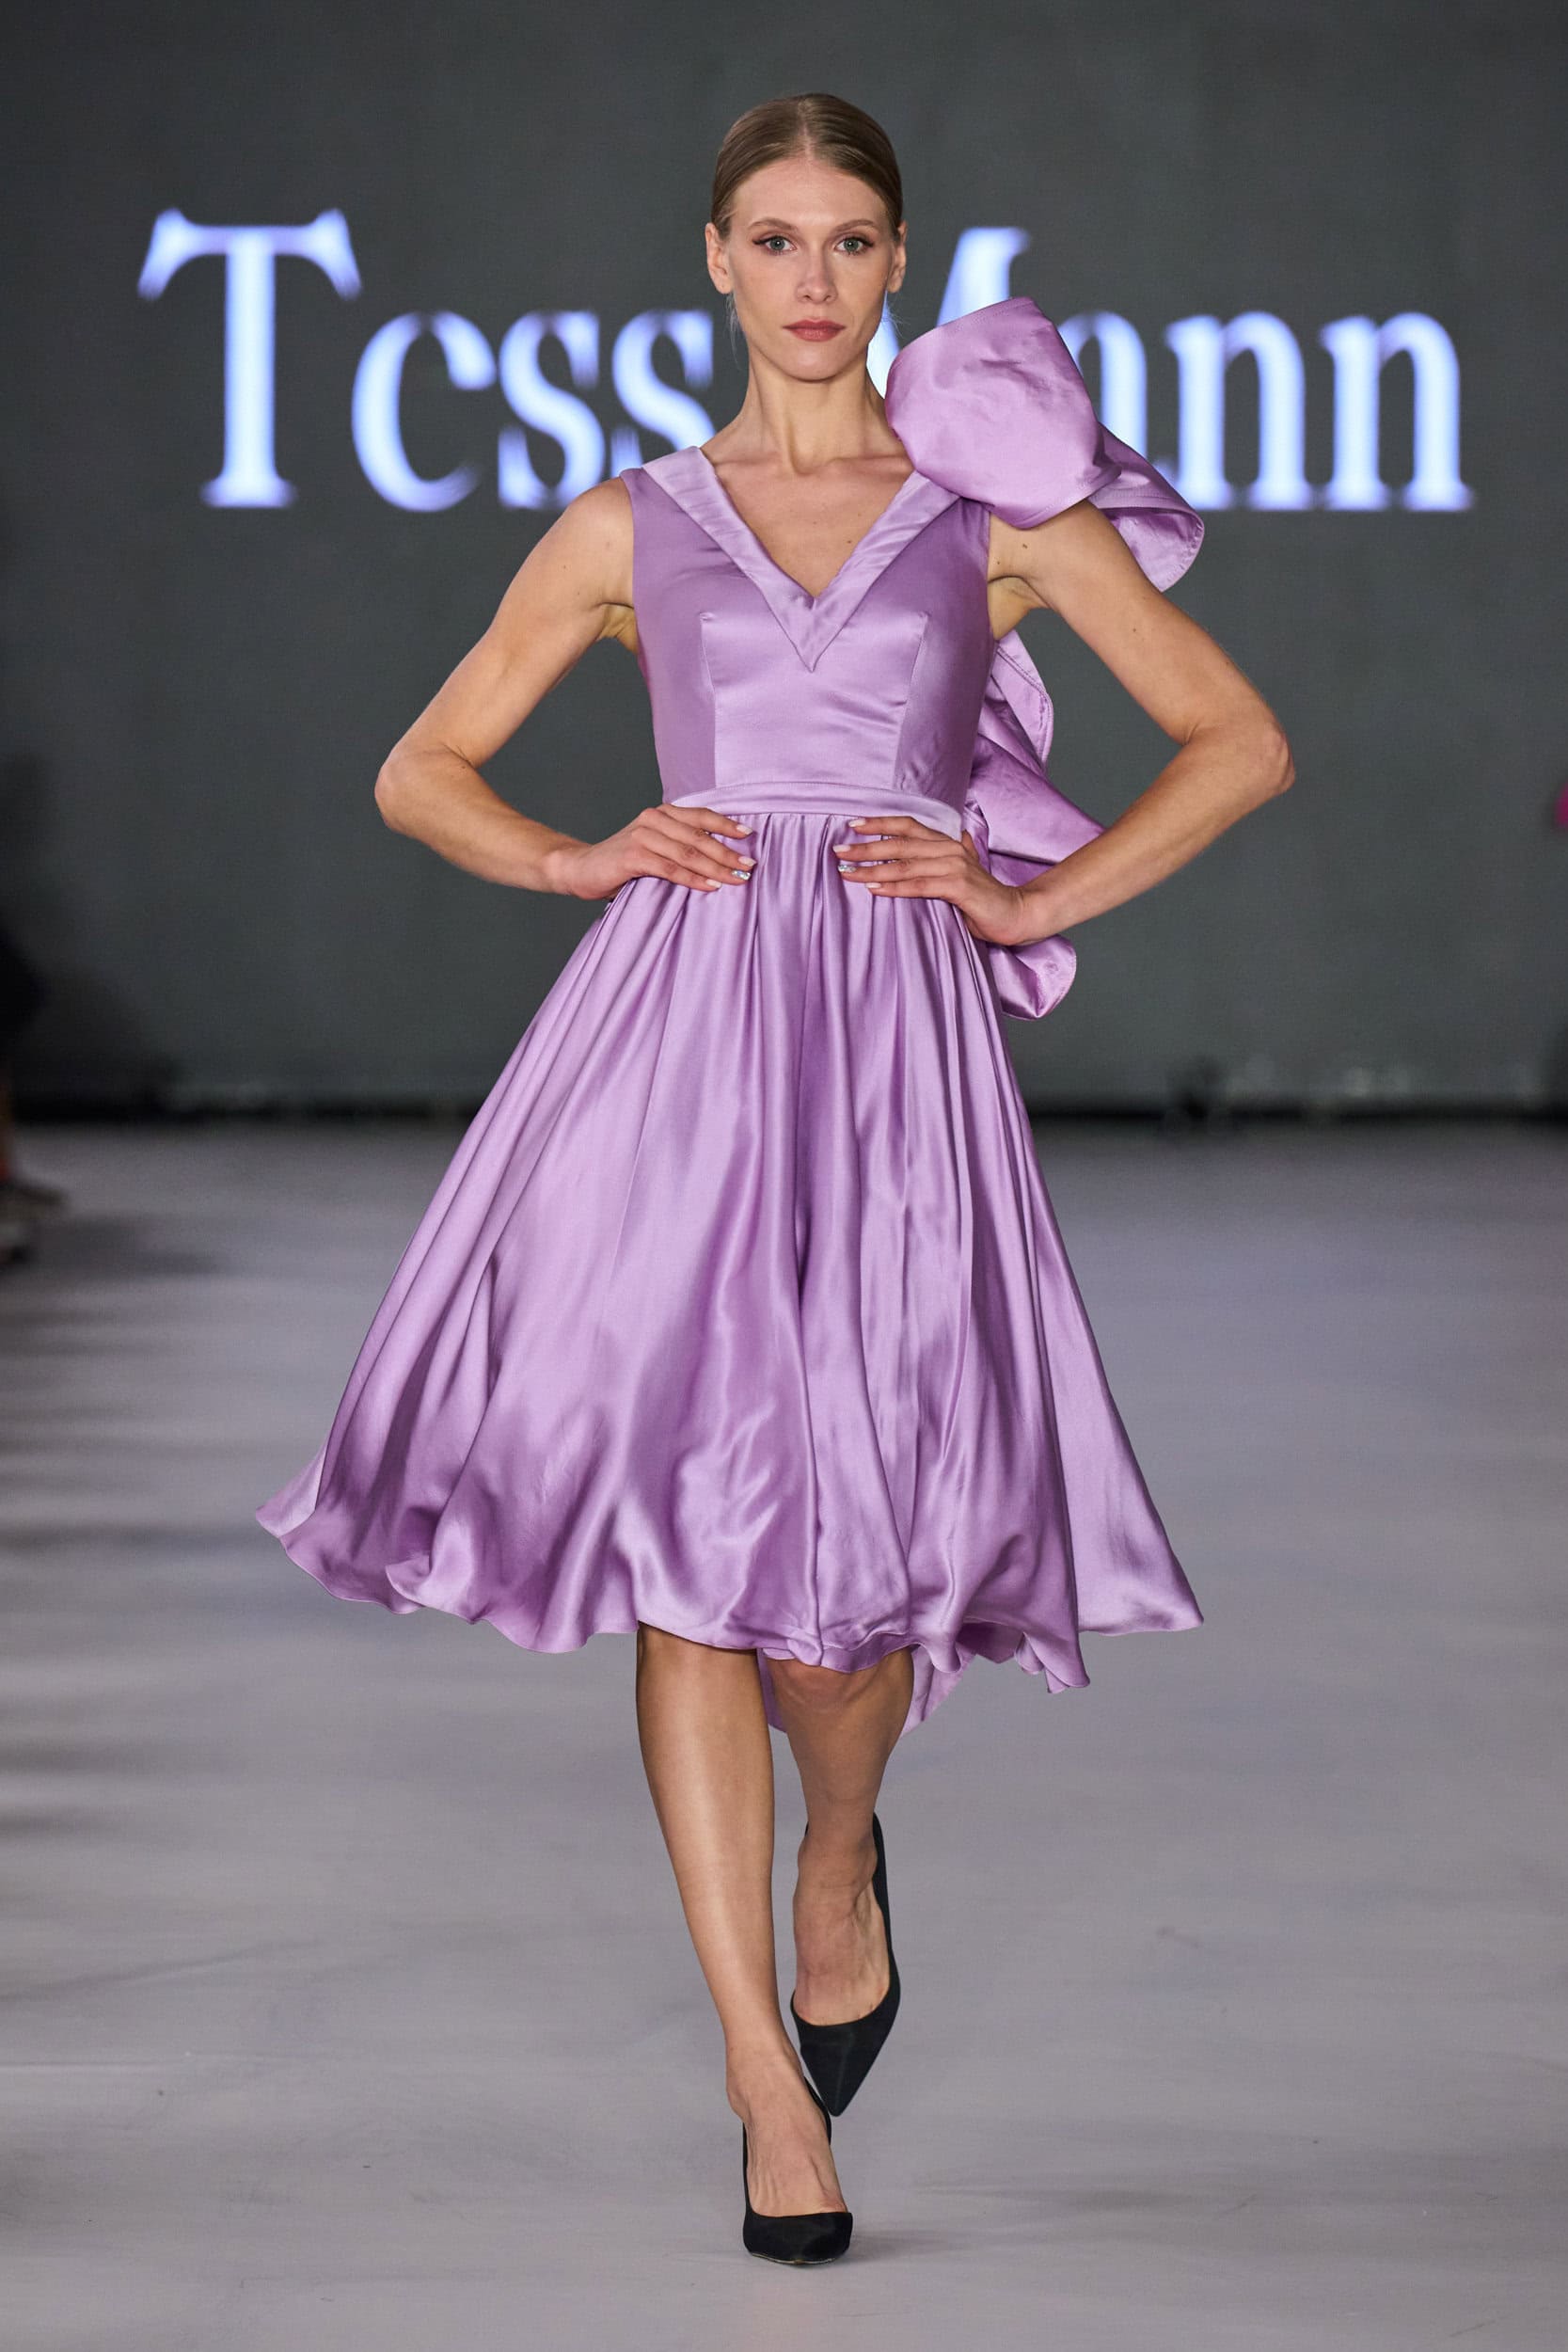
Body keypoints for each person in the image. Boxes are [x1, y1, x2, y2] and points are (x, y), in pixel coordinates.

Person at [257, 92, 1292, 2264]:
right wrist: (573, 856)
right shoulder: (628, 521)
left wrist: (1028, 896)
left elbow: (1241, 738)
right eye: (773, 237)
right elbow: (418, 765)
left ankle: (841, 1848)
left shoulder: (987, 515)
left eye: (849, 240)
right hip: (670, 1051)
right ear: (715, 262)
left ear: (896, 265)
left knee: (854, 1590)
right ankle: (761, 2075)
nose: (811, 277)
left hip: (897, 1066)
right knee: (690, 1552)